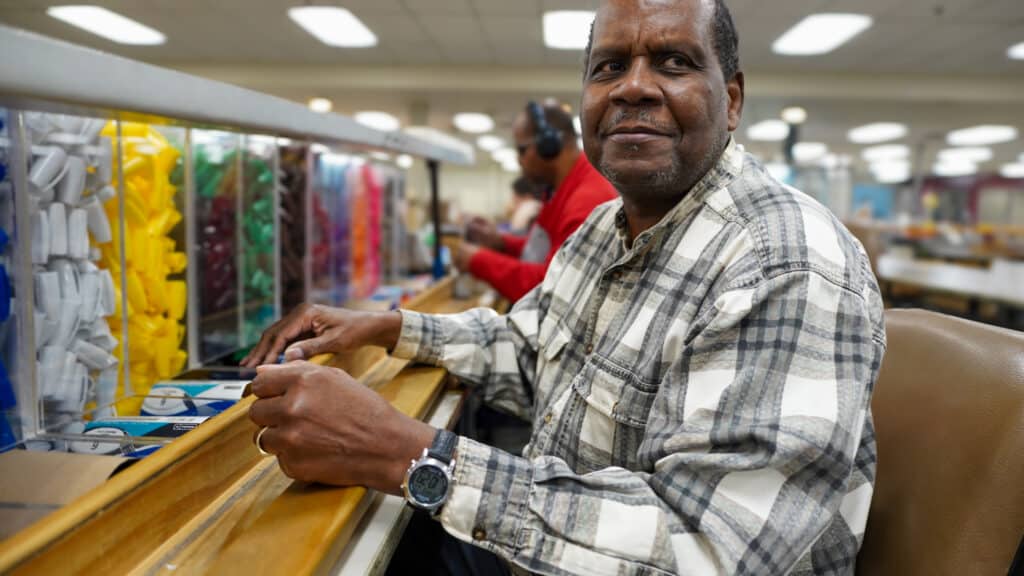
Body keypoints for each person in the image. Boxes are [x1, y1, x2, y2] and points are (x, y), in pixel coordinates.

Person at [241, 0, 886, 574]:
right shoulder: (606, 229)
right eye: (608, 67)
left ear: (733, 100)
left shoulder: (785, 265)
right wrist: (384, 327)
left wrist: (407, 454)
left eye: (674, 61)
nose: (633, 86)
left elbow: (706, 549)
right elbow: (530, 350)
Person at [453, 101, 617, 302]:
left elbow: (550, 289)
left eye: (522, 150)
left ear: (549, 146)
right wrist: (500, 242)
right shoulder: (561, 189)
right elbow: (545, 251)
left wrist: (479, 260)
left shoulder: (587, 201)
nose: (519, 160)